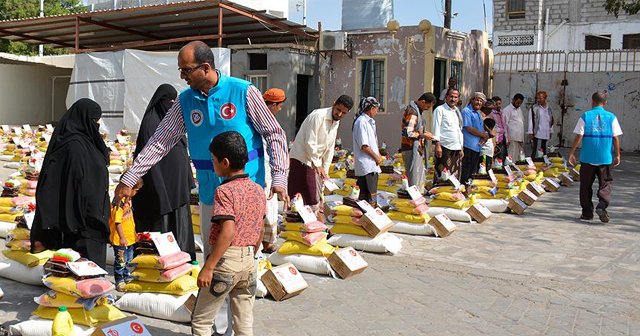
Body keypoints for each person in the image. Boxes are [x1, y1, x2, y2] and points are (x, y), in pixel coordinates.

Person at [113, 41, 288, 335]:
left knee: (245, 256)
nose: (181, 76)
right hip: (211, 192)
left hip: (248, 190)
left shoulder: (243, 91)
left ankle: (237, 327)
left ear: (205, 68)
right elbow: (161, 140)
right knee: (215, 255)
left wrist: (280, 177)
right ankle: (219, 326)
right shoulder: (185, 101)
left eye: (186, 70)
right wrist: (131, 176)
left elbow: (274, 134)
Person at [192, 131, 266, 336]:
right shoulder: (257, 189)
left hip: (226, 262)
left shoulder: (224, 191)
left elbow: (228, 230)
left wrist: (209, 266)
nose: (213, 164)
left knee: (201, 321)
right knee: (243, 323)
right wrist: (251, 252)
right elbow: (260, 229)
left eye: (214, 160)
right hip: (249, 262)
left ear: (224, 162)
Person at [30, 98, 110, 269]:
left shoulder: (84, 142)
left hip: (90, 215)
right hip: (81, 220)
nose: (96, 125)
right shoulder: (73, 146)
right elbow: (73, 184)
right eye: (94, 121)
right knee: (84, 269)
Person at [132, 84, 196, 261]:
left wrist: (188, 179)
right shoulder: (150, 123)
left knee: (179, 222)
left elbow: (182, 150)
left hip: (177, 186)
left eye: (175, 100)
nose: (172, 103)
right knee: (163, 223)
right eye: (169, 100)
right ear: (161, 101)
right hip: (159, 185)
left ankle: (183, 255)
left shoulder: (173, 123)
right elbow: (147, 154)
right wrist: (158, 187)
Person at [288, 95, 353, 219]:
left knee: (315, 196)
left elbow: (329, 147)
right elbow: (310, 142)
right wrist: (318, 165)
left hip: (315, 162)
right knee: (308, 197)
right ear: (334, 104)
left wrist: (325, 170)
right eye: (338, 110)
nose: (339, 114)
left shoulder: (336, 122)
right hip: (303, 159)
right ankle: (314, 226)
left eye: (343, 113)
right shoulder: (318, 116)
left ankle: (314, 228)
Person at [568, 91, 622, 223]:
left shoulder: (586, 116)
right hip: (605, 158)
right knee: (605, 184)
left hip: (587, 158)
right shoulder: (611, 117)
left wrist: (572, 152)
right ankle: (602, 206)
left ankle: (587, 213)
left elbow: (579, 136)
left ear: (592, 102)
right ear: (605, 103)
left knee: (585, 186)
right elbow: (615, 138)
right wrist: (618, 154)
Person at [261, 87, 286, 252]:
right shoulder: (266, 122)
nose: (281, 109)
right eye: (280, 106)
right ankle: (266, 243)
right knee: (266, 208)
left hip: (268, 170)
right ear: (274, 105)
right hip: (265, 170)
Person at [400, 93, 435, 192]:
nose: (427, 109)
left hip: (416, 147)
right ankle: (413, 199)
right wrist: (423, 135)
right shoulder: (413, 112)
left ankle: (417, 196)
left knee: (418, 176)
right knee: (413, 177)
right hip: (411, 148)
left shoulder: (417, 111)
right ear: (423, 102)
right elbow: (407, 132)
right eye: (427, 106)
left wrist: (424, 133)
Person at [111, 183, 141, 291]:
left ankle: (127, 276)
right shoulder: (119, 203)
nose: (136, 193)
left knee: (129, 260)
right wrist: (122, 237)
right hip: (120, 240)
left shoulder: (128, 202)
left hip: (130, 238)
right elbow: (117, 222)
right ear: (129, 189)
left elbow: (130, 219)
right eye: (136, 190)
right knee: (121, 260)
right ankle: (119, 280)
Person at [352, 97, 383, 206]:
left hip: (371, 165)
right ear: (370, 108)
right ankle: (366, 218)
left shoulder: (369, 122)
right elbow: (364, 146)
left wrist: (378, 154)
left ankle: (367, 217)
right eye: (376, 108)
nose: (377, 111)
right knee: (368, 196)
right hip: (366, 164)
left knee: (369, 196)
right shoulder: (361, 122)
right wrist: (376, 157)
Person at [432, 89, 464, 182]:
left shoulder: (457, 111)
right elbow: (436, 128)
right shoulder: (440, 110)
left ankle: (453, 195)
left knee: (455, 174)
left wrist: (461, 148)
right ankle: (440, 193)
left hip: (456, 147)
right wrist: (437, 145)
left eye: (455, 97)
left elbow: (459, 130)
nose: (453, 99)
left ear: (458, 99)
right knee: (443, 173)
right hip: (444, 147)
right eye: (451, 96)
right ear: (446, 97)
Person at [461, 92, 490, 183]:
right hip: (468, 145)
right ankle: (464, 189)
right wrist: (483, 135)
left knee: (473, 171)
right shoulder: (466, 111)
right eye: (477, 100)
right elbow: (469, 128)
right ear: (472, 100)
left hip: (477, 147)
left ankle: (469, 188)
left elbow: (481, 129)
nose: (479, 102)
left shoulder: (478, 114)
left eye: (481, 101)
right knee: (466, 170)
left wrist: (484, 137)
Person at [527, 90, 554, 157]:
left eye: (540, 98)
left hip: (546, 133)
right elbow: (531, 120)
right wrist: (530, 132)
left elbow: (551, 121)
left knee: (545, 152)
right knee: (537, 152)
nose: (538, 100)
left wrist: (551, 131)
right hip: (538, 134)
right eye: (537, 98)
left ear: (545, 98)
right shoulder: (534, 108)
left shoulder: (549, 109)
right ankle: (534, 164)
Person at [502, 93, 525, 159]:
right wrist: (506, 138)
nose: (519, 104)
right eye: (518, 102)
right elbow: (505, 125)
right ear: (513, 100)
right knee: (511, 157)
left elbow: (520, 123)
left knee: (519, 157)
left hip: (519, 138)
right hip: (511, 138)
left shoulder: (519, 109)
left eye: (520, 103)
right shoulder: (507, 110)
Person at [489, 96, 508, 162]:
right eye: (496, 104)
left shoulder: (502, 113)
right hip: (496, 138)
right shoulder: (491, 114)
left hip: (503, 138)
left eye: (499, 104)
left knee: (503, 156)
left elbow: (505, 125)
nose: (498, 106)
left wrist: (507, 138)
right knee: (496, 157)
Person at [480, 100, 497, 169]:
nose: (491, 111)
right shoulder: (479, 117)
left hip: (489, 148)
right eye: (489, 109)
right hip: (482, 148)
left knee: (488, 167)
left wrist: (494, 144)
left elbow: (493, 133)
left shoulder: (489, 118)